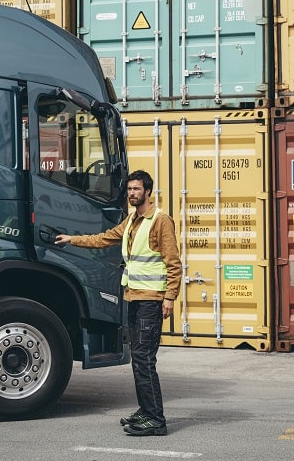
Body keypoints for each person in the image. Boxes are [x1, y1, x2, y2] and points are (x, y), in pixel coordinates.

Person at [54, 169, 181, 436]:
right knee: (139, 358)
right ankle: (146, 410)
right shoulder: (132, 220)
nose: (132, 194)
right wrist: (72, 240)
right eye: (130, 189)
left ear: (148, 191)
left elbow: (174, 263)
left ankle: (156, 419)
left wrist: (169, 297)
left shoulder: (159, 221)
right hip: (134, 297)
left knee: (144, 359)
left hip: (151, 300)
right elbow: (104, 238)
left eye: (137, 189)